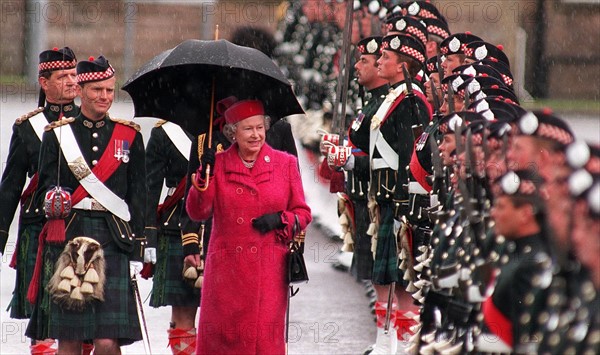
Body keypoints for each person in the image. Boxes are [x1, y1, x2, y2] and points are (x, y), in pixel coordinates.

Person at [25, 55, 147, 354]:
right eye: (97, 90)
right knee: (70, 338)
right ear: (79, 91)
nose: (105, 96)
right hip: (70, 238)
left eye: (109, 90)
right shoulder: (58, 135)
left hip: (114, 236)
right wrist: (52, 199)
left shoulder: (129, 135)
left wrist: (143, 243)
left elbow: (139, 195)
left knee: (107, 340)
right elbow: (41, 194)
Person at [185, 99, 312, 354]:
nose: (256, 135)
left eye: (259, 128)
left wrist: (280, 220)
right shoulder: (218, 164)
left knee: (263, 342)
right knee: (224, 343)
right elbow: (198, 212)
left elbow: (303, 213)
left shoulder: (284, 164)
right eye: (248, 129)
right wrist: (203, 175)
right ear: (233, 133)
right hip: (225, 274)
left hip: (268, 272)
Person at [0, 46, 79, 354]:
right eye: (63, 76)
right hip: (39, 226)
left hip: (80, 223)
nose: (72, 82)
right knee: (42, 316)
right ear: (44, 82)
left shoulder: (93, 125)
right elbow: (11, 186)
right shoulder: (26, 128)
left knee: (80, 315)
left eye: (74, 75)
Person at [368, 33, 430, 353]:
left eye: (385, 59)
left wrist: (405, 202)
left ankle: (405, 344)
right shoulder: (394, 95)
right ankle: (384, 341)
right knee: (386, 277)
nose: (379, 62)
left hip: (399, 199)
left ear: (402, 65)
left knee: (403, 279)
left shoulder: (411, 99)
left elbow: (410, 154)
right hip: (385, 197)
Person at [144, 119, 200, 353]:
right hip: (177, 223)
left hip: (224, 224)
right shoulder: (165, 132)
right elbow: (149, 188)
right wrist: (147, 237)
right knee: (183, 308)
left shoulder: (232, 126)